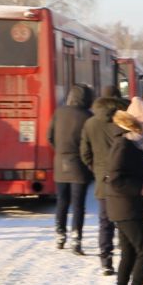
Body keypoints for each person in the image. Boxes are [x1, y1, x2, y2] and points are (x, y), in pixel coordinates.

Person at [87, 104, 143, 285]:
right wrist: (140, 187)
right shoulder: (124, 144)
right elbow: (115, 178)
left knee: (129, 253)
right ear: (135, 123)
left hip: (132, 207)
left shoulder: (137, 144)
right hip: (126, 207)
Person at [78, 86, 124, 275]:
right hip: (123, 176)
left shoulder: (90, 123)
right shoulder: (123, 120)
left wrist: (95, 168)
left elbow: (85, 153)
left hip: (101, 177)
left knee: (104, 221)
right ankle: (125, 252)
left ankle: (106, 261)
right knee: (123, 217)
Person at [51, 83, 93, 252]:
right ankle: (76, 239)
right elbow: (89, 143)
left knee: (62, 201)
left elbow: (50, 136)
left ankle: (60, 235)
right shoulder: (87, 116)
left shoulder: (59, 113)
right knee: (78, 205)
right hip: (80, 165)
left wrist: (60, 150)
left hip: (60, 163)